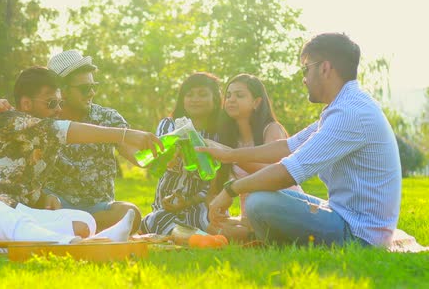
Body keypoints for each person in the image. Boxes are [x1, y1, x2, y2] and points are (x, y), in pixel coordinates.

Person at [199, 33, 401, 247]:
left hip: (359, 233)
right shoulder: (343, 107)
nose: (303, 78)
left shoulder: (350, 113)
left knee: (258, 202)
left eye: (306, 69)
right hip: (345, 216)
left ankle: (266, 239)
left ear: (324, 68)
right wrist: (228, 154)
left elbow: (288, 172)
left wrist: (231, 189)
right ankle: (269, 240)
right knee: (261, 198)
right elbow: (287, 146)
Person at [0, 67, 162, 247]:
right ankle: (73, 245)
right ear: (26, 104)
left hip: (19, 209)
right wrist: (130, 134)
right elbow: (65, 130)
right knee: (9, 221)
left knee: (82, 222)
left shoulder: (52, 138)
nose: (57, 109)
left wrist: (43, 197)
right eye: (51, 103)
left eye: (59, 103)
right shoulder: (6, 120)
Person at [0, 50, 143, 233]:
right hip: (54, 205)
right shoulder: (40, 119)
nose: (91, 93)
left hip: (99, 207)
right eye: (85, 88)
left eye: (94, 86)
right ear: (63, 91)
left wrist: (161, 156)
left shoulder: (107, 117)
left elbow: (135, 154)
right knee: (26, 203)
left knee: (129, 213)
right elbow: (10, 137)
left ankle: (73, 227)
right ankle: (79, 228)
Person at [206, 73, 302, 242]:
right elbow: (216, 186)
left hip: (282, 205)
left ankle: (261, 234)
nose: (231, 100)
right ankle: (254, 233)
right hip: (250, 216)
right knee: (213, 229)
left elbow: (273, 173)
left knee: (232, 234)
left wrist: (230, 155)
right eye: (228, 95)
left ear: (256, 102)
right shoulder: (228, 138)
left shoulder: (272, 129)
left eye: (239, 95)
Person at [140, 72, 221, 235]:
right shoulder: (168, 125)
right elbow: (160, 158)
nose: (195, 99)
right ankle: (195, 237)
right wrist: (171, 155)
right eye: (189, 95)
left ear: (216, 100)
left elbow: (215, 179)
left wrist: (190, 201)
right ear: (182, 100)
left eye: (202, 94)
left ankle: (198, 236)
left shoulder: (218, 134)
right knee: (158, 220)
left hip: (198, 204)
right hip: (166, 203)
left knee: (209, 223)